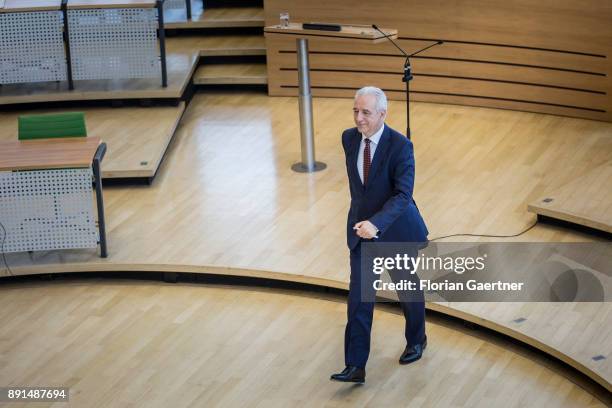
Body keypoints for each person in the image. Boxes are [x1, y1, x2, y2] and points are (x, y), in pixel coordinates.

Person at [330, 86, 429, 384]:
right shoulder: (349, 138)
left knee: (407, 290)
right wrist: (365, 224)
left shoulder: (400, 146)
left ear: (383, 114)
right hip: (363, 233)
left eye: (366, 113)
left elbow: (403, 194)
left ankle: (417, 339)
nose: (359, 118)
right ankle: (356, 366)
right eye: (355, 111)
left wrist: (377, 223)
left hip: (396, 230)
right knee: (360, 299)